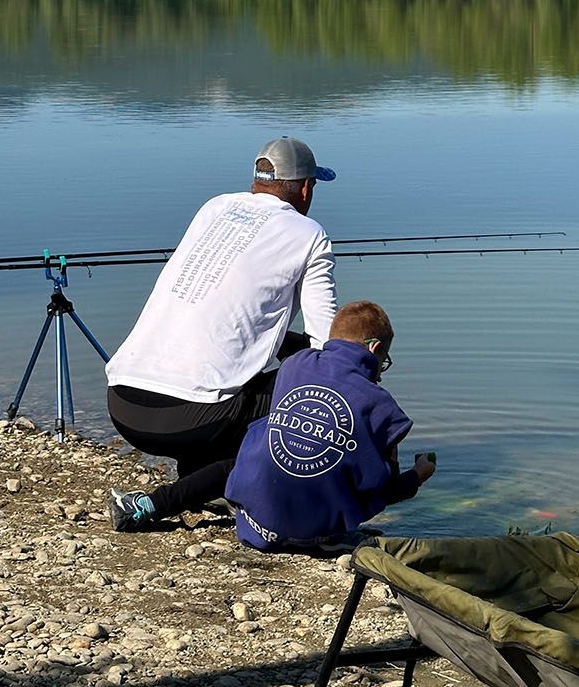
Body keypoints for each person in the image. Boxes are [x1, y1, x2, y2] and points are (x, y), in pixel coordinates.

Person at [105, 135, 337, 529]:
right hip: (186, 419)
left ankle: (201, 481)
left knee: (231, 380)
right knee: (317, 390)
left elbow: (222, 312)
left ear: (257, 180)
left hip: (124, 405)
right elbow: (328, 346)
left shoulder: (215, 207)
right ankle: (287, 503)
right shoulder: (309, 235)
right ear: (304, 187)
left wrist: (287, 342)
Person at [225, 299, 437, 554]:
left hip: (252, 523)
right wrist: (417, 476)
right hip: (312, 537)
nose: (382, 368)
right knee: (371, 468)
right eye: (384, 359)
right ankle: (326, 536)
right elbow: (386, 492)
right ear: (375, 348)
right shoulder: (383, 407)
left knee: (267, 429)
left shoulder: (294, 364)